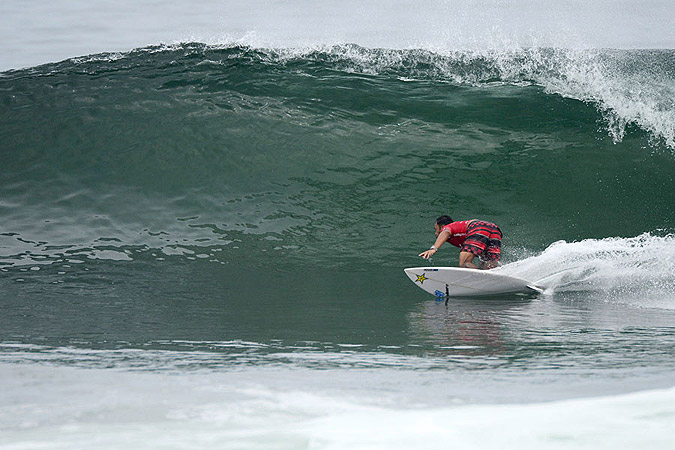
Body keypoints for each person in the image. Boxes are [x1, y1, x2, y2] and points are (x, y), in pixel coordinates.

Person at [418, 215, 502, 269]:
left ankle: (477, 281)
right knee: (489, 264)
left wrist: (434, 249)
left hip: (478, 227)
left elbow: (445, 232)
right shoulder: (460, 235)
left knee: (465, 263)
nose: (435, 233)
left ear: (442, 226)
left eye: (436, 229)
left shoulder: (448, 227)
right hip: (495, 230)